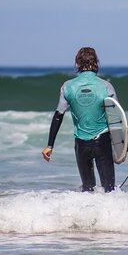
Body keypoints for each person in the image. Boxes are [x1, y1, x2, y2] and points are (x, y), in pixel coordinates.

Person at [42, 47, 117, 192]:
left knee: (87, 190)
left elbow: (59, 115)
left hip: (81, 144)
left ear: (77, 64)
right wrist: (122, 149)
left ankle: (86, 215)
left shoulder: (67, 87)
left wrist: (50, 145)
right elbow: (117, 118)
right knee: (110, 191)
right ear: (98, 63)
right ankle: (109, 214)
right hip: (103, 142)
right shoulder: (106, 86)